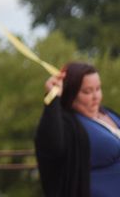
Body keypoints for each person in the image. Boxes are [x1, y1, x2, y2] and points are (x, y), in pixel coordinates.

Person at [35, 62, 120, 197]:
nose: (95, 96)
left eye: (98, 89)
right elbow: (50, 145)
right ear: (72, 93)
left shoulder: (109, 114)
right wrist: (52, 96)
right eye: (87, 91)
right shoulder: (68, 126)